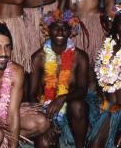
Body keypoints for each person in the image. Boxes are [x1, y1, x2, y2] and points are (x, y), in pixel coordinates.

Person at [29, 9, 89, 148]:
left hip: (71, 110)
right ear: (48, 30)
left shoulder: (80, 57)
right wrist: (43, 121)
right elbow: (31, 94)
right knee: (44, 143)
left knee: (78, 106)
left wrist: (62, 98)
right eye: (56, 28)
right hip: (46, 109)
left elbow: (82, 90)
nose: (60, 33)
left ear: (71, 31)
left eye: (65, 28)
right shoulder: (38, 58)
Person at [87, 3, 121, 148]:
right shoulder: (108, 47)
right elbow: (101, 81)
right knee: (94, 145)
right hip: (112, 108)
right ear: (115, 24)